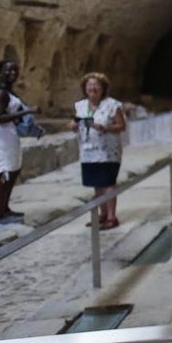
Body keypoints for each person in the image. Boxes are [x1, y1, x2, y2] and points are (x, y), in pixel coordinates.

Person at [0, 59, 38, 227]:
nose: (12, 73)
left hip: (8, 134)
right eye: (8, 70)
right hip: (0, 136)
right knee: (2, 173)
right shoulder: (0, 93)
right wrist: (28, 110)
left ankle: (5, 209)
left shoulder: (9, 92)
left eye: (15, 70)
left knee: (12, 171)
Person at [70, 72, 127, 230]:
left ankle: (111, 217)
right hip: (88, 151)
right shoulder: (80, 106)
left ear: (103, 88)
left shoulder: (113, 105)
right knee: (97, 184)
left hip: (108, 152)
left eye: (96, 85)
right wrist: (73, 126)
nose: (92, 88)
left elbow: (121, 126)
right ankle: (101, 215)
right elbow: (74, 121)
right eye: (89, 85)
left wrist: (106, 128)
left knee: (108, 182)